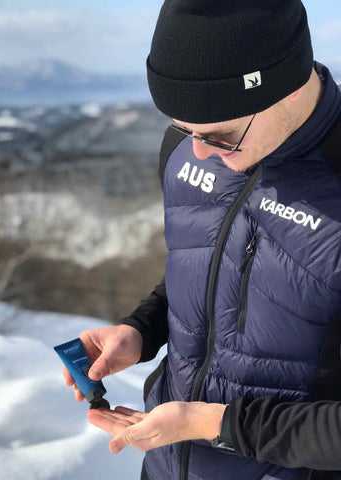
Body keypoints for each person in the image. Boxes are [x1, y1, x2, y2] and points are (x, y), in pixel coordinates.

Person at [63, 1, 341, 479]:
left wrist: (213, 423)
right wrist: (141, 331)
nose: (197, 150)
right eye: (181, 127)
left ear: (291, 90)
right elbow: (212, 267)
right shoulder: (187, 151)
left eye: (222, 136)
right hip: (170, 465)